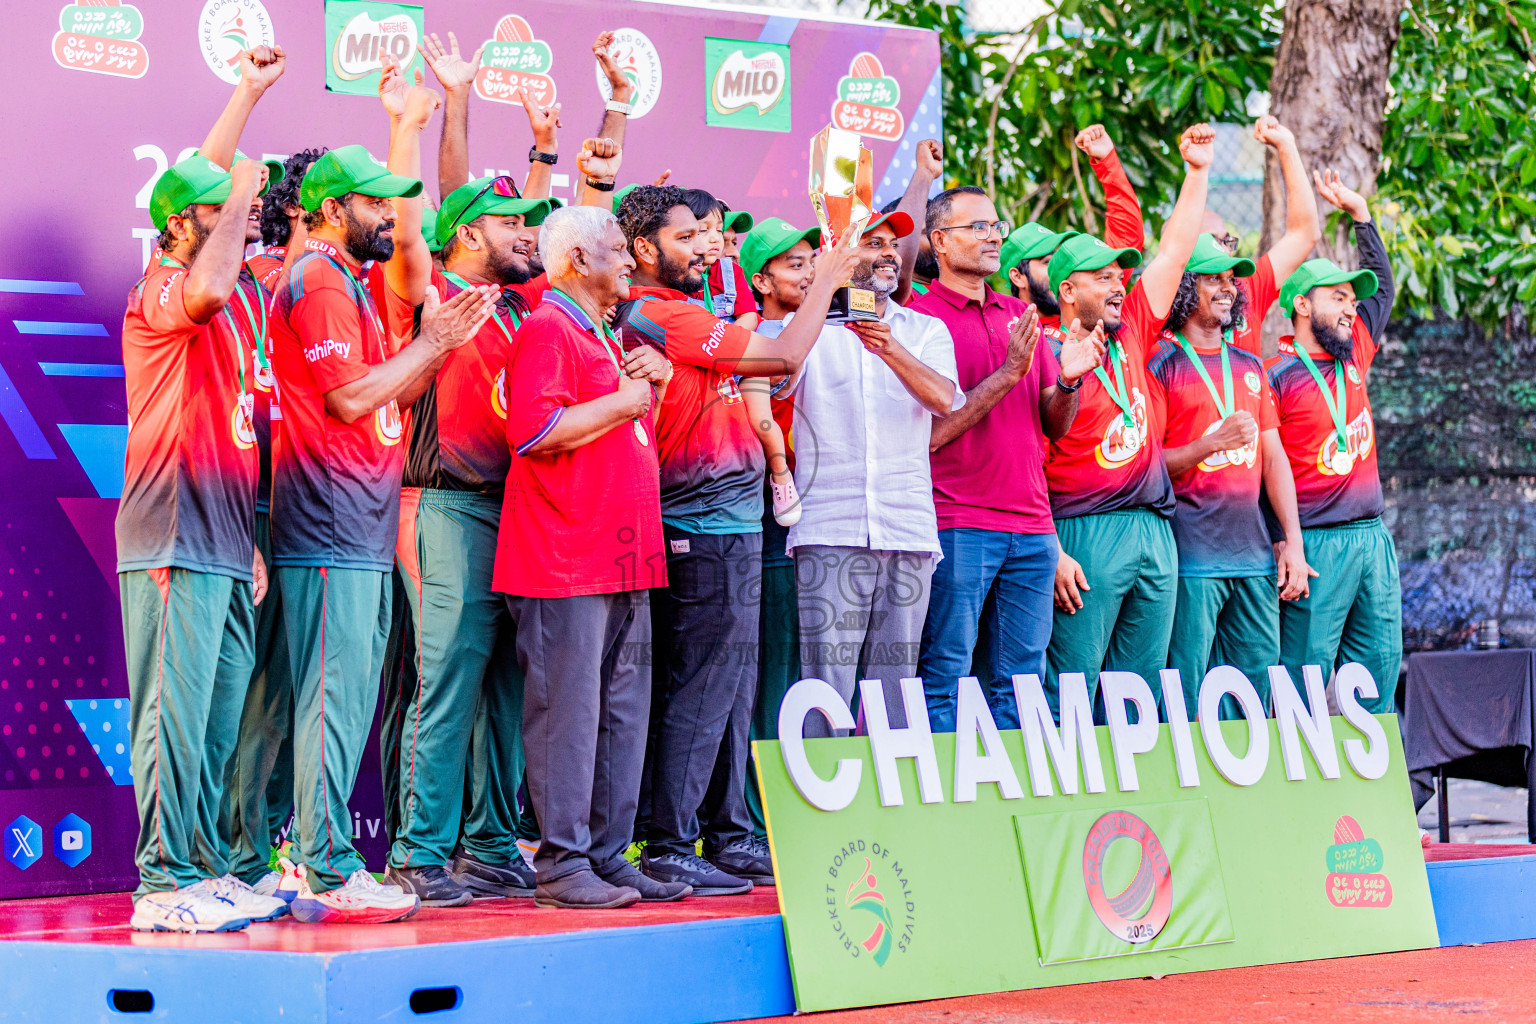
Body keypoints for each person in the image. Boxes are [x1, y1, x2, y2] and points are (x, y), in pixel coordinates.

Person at [268, 68, 499, 924]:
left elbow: (407, 254)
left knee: (346, 699)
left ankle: (302, 860)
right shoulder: (321, 280)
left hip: (357, 526)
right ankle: (323, 868)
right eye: (374, 204)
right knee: (333, 701)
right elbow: (352, 399)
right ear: (334, 210)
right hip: (326, 521)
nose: (391, 217)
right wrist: (433, 344)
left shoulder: (355, 281)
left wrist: (405, 127)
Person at [614, 185, 858, 895]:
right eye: (689, 237)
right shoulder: (662, 314)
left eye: (708, 235)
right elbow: (781, 358)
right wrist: (832, 276)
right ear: (643, 249)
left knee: (732, 686)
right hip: (696, 521)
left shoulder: (690, 311)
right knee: (699, 687)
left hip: (733, 516)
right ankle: (667, 841)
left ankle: (727, 831)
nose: (704, 247)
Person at [117, 48, 289, 933]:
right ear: (183, 226)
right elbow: (211, 275)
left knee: (217, 724)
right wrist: (237, 192)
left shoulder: (224, 293)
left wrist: (247, 93)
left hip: (225, 540)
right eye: (225, 213)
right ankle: (160, 886)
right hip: (172, 535)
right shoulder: (163, 291)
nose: (245, 221)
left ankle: (205, 868)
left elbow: (202, 186)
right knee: (172, 719)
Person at [378, 174, 561, 907]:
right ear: (466, 233)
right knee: (445, 678)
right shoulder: (430, 291)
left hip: (513, 507)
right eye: (509, 219)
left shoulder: (519, 307)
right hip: (444, 505)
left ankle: (488, 844)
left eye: (529, 219)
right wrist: (418, 118)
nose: (526, 231)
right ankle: (418, 851)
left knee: (504, 685)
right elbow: (411, 234)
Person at [491, 205, 675, 910]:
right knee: (567, 714)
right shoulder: (548, 327)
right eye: (615, 251)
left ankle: (605, 852)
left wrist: (642, 392)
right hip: (564, 559)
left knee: (621, 714)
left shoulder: (598, 331)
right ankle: (563, 864)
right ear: (573, 261)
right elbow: (535, 432)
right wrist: (630, 401)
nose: (629, 260)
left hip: (623, 557)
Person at [911, 184, 1106, 731]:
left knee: (1022, 681)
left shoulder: (1018, 313)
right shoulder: (919, 319)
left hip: (1034, 526)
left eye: (996, 227)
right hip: (957, 522)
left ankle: (1013, 807)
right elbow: (926, 436)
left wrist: (1067, 379)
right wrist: (1008, 374)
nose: (993, 236)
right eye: (977, 228)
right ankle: (946, 807)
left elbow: (1053, 425)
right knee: (945, 672)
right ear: (941, 242)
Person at [1044, 124, 1216, 715]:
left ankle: (1136, 807)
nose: (1119, 285)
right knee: (1073, 686)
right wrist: (1052, 547)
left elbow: (1172, 250)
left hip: (1152, 527)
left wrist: (1196, 174)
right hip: (1083, 529)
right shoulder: (1039, 350)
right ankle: (1071, 805)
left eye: (1120, 276)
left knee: (1140, 692)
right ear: (1068, 291)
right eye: (1102, 278)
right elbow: (1025, 460)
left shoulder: (1133, 332)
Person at [782, 209, 963, 734]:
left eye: (892, 245)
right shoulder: (803, 330)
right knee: (827, 688)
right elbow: (778, 386)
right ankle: (826, 808)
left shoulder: (925, 330)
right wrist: (822, 302)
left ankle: (892, 810)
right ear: (838, 257)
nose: (888, 253)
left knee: (896, 691)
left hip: (906, 527)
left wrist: (889, 347)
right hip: (830, 528)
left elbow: (945, 400)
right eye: (872, 244)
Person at [1149, 235, 1310, 719]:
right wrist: (1208, 446)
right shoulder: (1162, 364)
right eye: (1211, 279)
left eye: (1229, 280)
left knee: (1256, 690)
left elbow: (1274, 457)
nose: (1226, 288)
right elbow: (1148, 465)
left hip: (1255, 557)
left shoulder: (1249, 365)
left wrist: (1294, 544)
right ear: (1183, 289)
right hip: (1193, 556)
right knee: (1187, 693)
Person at [223, 147, 323, 895]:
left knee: (293, 693)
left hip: (311, 505)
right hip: (251, 506)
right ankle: (239, 854)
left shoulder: (334, 288)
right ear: (303, 210)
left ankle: (272, 847)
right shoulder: (244, 288)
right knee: (256, 694)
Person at [1268, 171, 1399, 713]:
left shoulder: (1355, 352)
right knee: (1303, 681)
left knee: (1380, 670)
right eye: (1338, 298)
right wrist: (1282, 541)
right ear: (1302, 306)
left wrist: (1361, 214)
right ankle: (1302, 794)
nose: (1351, 308)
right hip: (1316, 544)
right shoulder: (1273, 373)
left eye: (1352, 300)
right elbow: (1261, 470)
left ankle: (1371, 791)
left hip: (1372, 538)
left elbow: (1384, 288)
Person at [737, 217, 820, 834]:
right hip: (774, 521)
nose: (809, 271)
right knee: (773, 673)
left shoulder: (834, 331)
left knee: (807, 672)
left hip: (831, 522)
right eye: (793, 265)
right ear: (760, 279)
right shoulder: (756, 338)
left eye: (812, 260)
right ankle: (764, 822)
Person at [999, 125, 1144, 325]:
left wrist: (1106, 161)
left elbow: (1126, 235)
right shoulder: (1004, 334)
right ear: (1017, 277)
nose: (1060, 271)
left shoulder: (1092, 311)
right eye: (1048, 262)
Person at [1212, 115, 1320, 355]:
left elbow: (1304, 233)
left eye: (1227, 241)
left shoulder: (1245, 293)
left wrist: (1287, 146)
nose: (1225, 251)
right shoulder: (1163, 310)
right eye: (1213, 242)